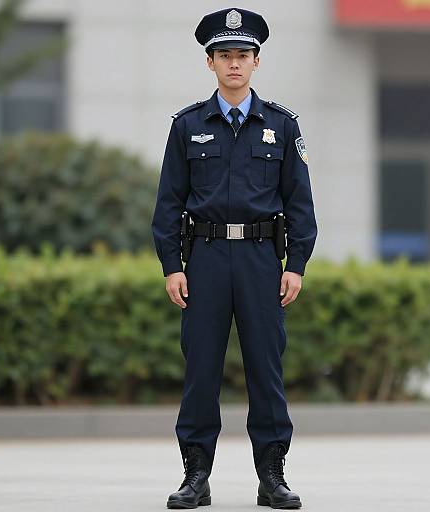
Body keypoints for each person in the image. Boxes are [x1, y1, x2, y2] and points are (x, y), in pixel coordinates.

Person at [151, 7, 318, 509]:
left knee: (265, 370)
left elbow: (300, 203)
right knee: (201, 369)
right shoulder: (187, 126)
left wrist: (296, 264)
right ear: (210, 63)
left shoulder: (282, 126)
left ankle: (272, 476)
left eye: (243, 55)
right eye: (225, 56)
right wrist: (172, 265)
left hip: (261, 262)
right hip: (203, 259)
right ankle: (195, 476)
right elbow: (168, 203)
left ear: (256, 61)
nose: (234, 64)